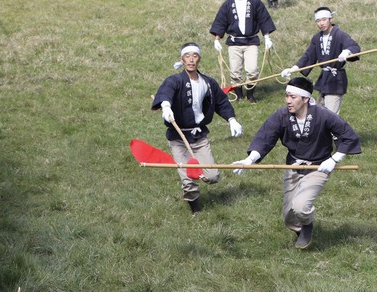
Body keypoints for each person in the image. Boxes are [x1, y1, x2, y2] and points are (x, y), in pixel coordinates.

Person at [231, 77, 361, 248]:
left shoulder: (323, 115)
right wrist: (249, 160)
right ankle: (300, 229)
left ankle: (307, 226)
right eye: (286, 96)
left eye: (293, 97)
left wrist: (334, 159)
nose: (288, 101)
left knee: (300, 206)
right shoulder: (282, 115)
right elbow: (266, 137)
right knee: (288, 216)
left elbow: (348, 136)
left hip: (318, 167)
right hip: (293, 167)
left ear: (306, 99)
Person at [151, 42, 243, 215]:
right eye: (187, 56)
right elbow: (166, 91)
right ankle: (195, 210)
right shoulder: (175, 80)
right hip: (179, 137)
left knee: (212, 176)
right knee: (188, 178)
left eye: (195, 56)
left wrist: (231, 119)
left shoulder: (208, 82)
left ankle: (200, 181)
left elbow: (222, 101)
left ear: (199, 59)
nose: (191, 60)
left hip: (199, 137)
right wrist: (165, 106)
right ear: (182, 59)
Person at [281, 7, 360, 115]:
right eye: (318, 21)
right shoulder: (317, 38)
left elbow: (353, 46)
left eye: (324, 19)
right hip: (324, 79)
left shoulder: (340, 34)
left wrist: (347, 52)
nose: (321, 23)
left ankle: (333, 131)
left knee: (330, 116)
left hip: (336, 80)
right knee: (319, 113)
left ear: (330, 19)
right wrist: (293, 69)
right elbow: (309, 56)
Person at [210, 0, 276, 103]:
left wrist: (267, 38)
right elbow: (220, 21)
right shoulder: (228, 4)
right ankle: (239, 96)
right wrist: (217, 40)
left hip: (251, 42)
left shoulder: (255, 3)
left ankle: (250, 95)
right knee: (235, 71)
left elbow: (263, 19)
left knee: (252, 70)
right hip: (234, 43)